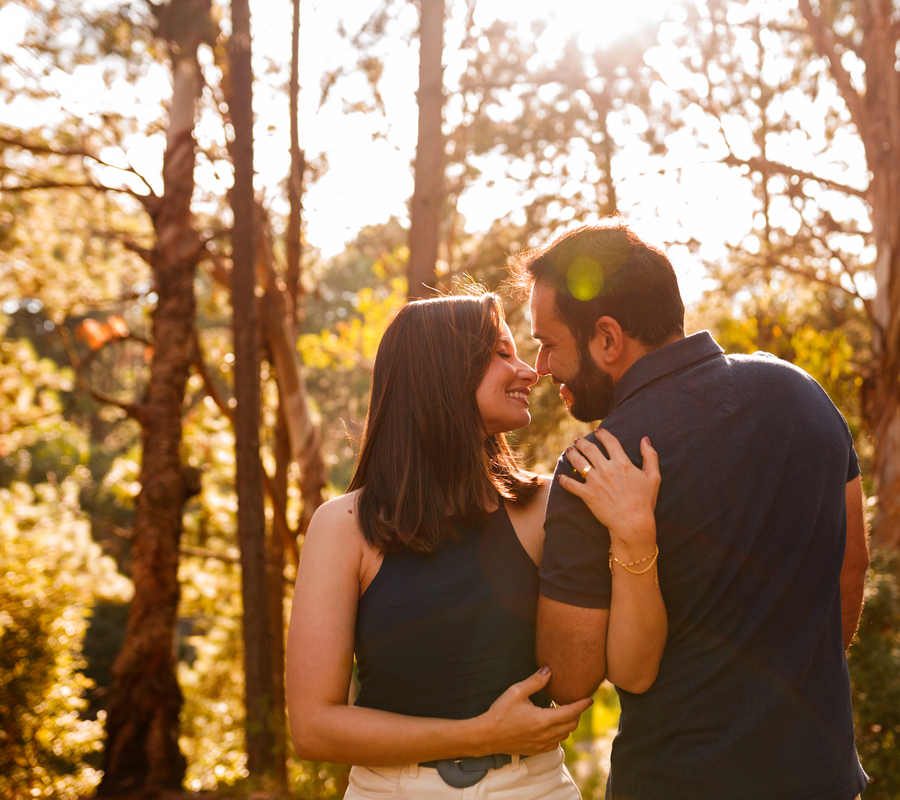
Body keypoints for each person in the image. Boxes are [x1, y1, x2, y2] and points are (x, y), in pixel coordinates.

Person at [509, 219, 871, 800]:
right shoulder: (801, 393)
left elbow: (569, 678)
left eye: (548, 343)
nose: (543, 367)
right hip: (820, 775)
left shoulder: (597, 467)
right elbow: (849, 566)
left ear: (607, 338)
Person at [285, 292, 666, 799]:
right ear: (443, 371)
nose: (530, 372)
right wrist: (478, 734)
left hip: (534, 787)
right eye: (503, 353)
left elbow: (634, 670)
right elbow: (313, 727)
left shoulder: (549, 506)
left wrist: (636, 534)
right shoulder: (343, 525)